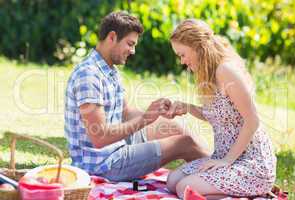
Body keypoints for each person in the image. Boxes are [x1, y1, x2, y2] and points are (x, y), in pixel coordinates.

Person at [64, 12, 209, 182]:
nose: (132, 51)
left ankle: (217, 170)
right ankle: (221, 177)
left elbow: (125, 113)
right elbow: (99, 137)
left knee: (173, 126)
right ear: (112, 37)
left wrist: (155, 112)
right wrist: (145, 119)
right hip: (103, 164)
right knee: (186, 143)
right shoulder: (88, 76)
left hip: (117, 147)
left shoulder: (109, 70)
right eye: (130, 44)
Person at [165, 19, 276, 198]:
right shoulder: (207, 74)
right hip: (224, 158)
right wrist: (187, 107)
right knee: (172, 181)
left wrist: (227, 160)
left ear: (197, 47)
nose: (182, 61)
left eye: (183, 54)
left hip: (251, 163)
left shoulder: (225, 71)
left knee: (185, 189)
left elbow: (252, 120)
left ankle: (254, 194)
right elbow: (217, 115)